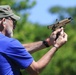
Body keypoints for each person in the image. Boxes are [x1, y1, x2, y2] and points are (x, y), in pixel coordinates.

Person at [0, 5, 68, 75]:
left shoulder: (6, 45)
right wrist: (56, 46)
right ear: (3, 21)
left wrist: (47, 42)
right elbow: (36, 70)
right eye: (13, 21)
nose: (14, 27)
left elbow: (16, 50)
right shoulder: (9, 44)